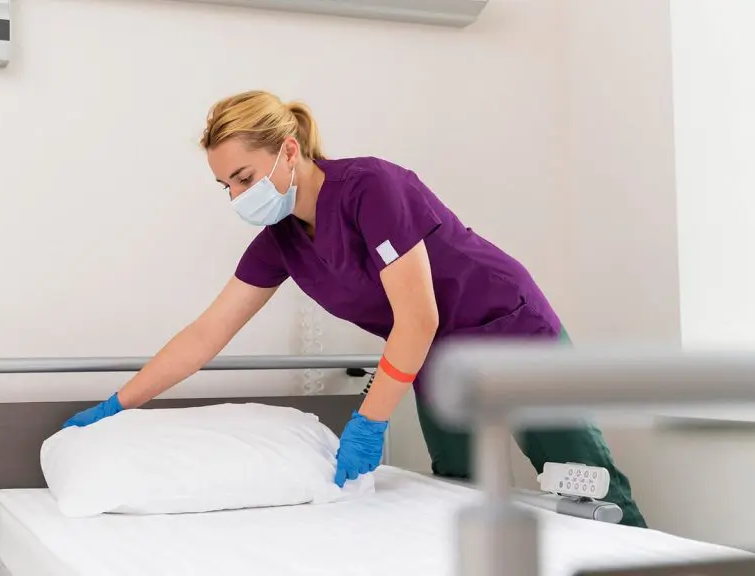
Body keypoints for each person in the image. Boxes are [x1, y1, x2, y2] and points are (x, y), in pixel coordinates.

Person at [61, 90, 648, 529]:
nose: (238, 197)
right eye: (226, 187)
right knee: (458, 492)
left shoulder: (373, 188)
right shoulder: (280, 242)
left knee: (584, 483)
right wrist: (120, 402)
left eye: (243, 177)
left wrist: (370, 421)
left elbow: (417, 316)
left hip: (510, 330)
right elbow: (206, 334)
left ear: (288, 150)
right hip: (439, 358)